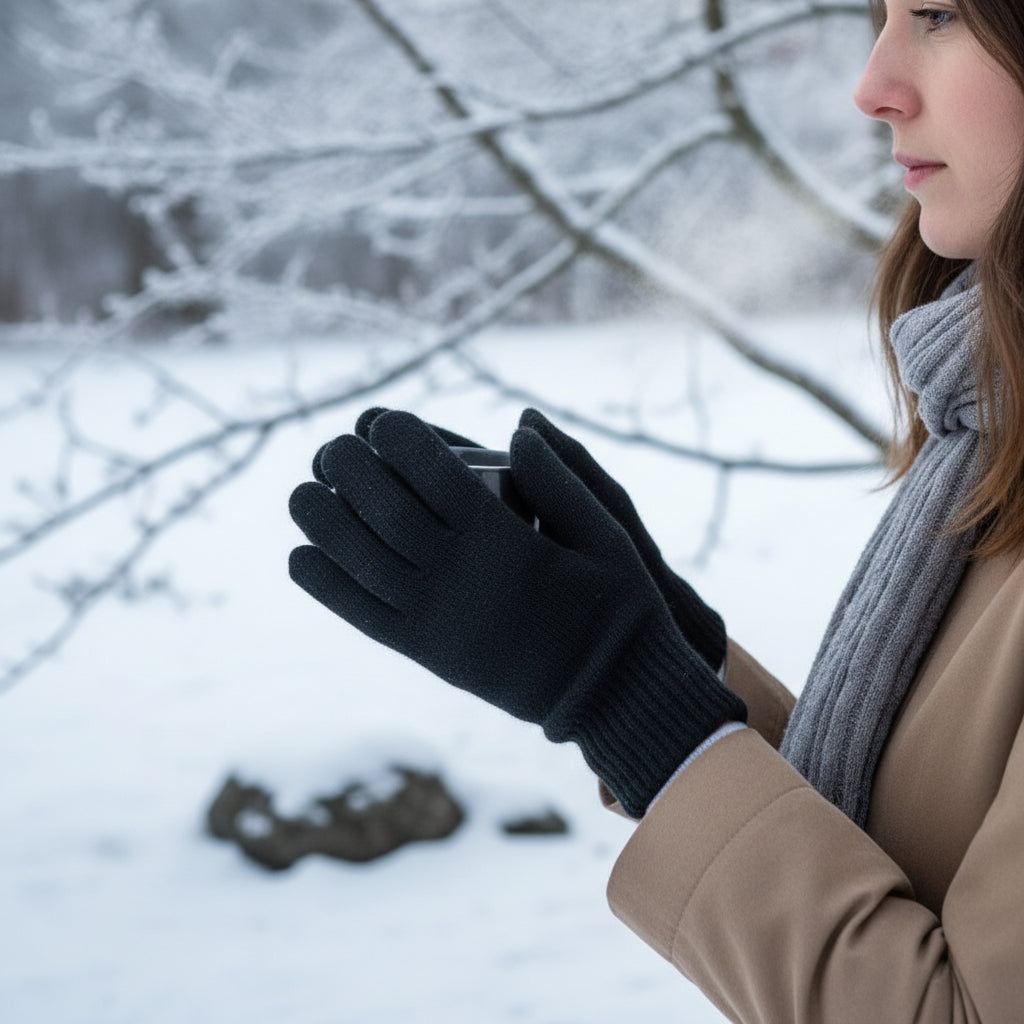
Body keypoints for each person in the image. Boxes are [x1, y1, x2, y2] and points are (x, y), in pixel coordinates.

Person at [287, 1, 1024, 1019]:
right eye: (881, 13)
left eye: (937, 15)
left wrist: (620, 691)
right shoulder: (985, 425)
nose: (873, 85)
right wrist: (675, 657)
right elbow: (918, 866)